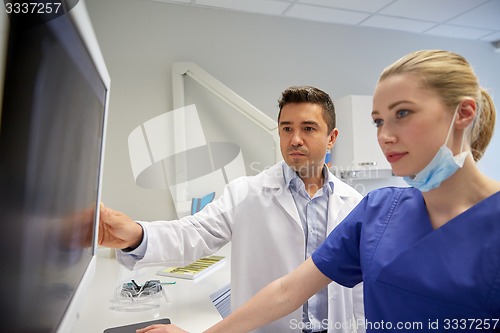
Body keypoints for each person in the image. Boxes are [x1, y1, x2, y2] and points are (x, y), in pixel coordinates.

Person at [140, 49, 500, 333]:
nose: (385, 135)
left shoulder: (355, 201)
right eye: (378, 121)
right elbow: (287, 291)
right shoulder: (378, 211)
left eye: (402, 113)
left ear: (463, 114)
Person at [99, 86, 365, 333]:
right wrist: (135, 235)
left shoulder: (352, 202)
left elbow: (359, 291)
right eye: (286, 129)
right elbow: (193, 233)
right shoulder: (245, 193)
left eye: (308, 128)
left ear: (331, 138)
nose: (295, 139)